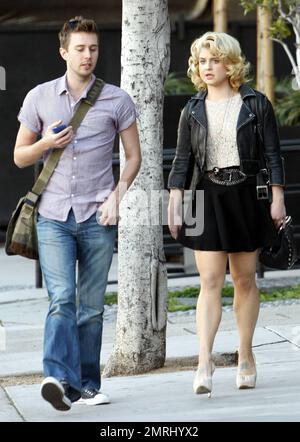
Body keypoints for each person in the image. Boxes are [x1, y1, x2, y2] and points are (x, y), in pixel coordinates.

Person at [14, 16, 141, 411]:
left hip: (97, 217)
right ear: (63, 52)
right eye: (80, 48)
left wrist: (118, 196)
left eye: (93, 48)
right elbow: (19, 157)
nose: (87, 55)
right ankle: (56, 376)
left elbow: (134, 157)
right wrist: (46, 143)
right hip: (52, 216)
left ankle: (86, 384)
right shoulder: (40, 97)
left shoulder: (117, 99)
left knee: (91, 307)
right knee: (61, 299)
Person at [167, 32, 286, 397]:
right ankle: (204, 361)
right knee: (210, 281)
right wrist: (174, 201)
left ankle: (246, 356)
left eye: (214, 60)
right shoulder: (191, 109)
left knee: (245, 279)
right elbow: (183, 160)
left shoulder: (255, 104)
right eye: (202, 61)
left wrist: (277, 198)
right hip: (207, 196)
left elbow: (272, 155)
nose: (207, 67)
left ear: (230, 63)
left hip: (247, 194)